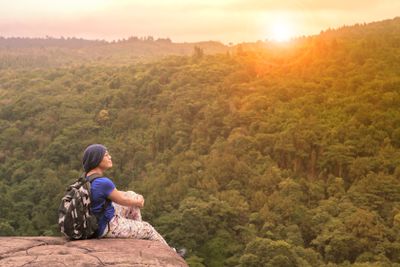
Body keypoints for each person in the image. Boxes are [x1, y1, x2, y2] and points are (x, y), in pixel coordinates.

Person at [82, 144, 185, 257]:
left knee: (131, 195)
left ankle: (137, 232)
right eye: (106, 155)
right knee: (148, 228)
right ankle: (171, 254)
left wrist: (133, 197)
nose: (110, 157)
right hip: (105, 226)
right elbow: (122, 200)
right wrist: (139, 202)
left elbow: (115, 195)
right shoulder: (103, 182)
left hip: (93, 220)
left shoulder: (86, 179)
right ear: (97, 159)